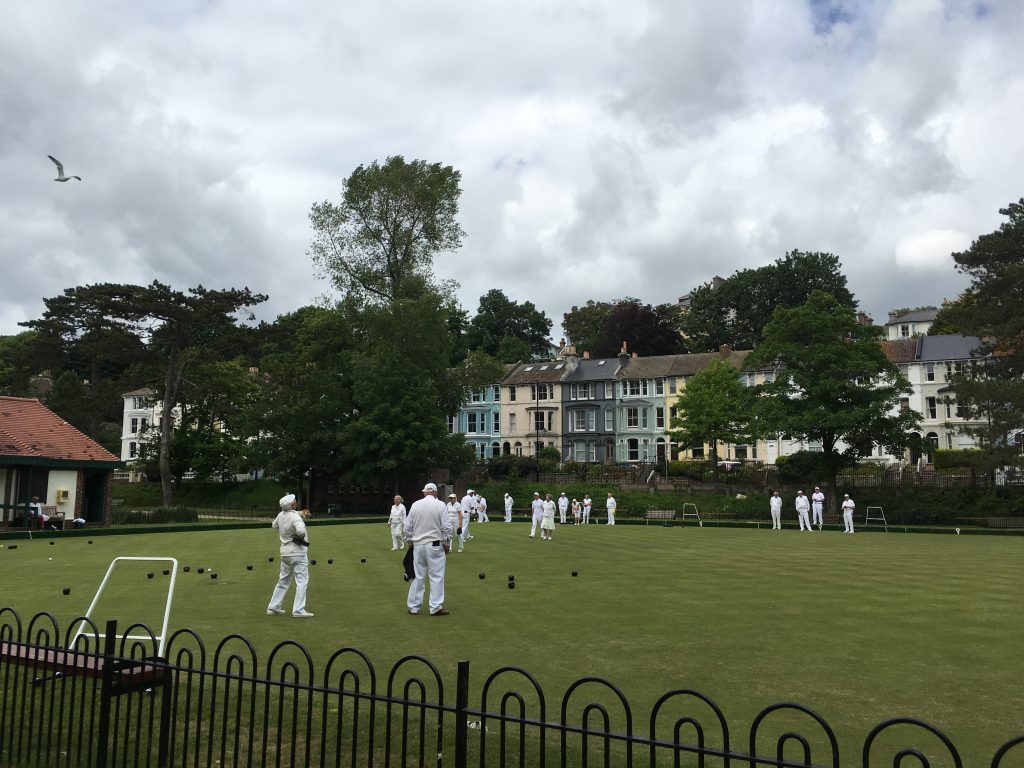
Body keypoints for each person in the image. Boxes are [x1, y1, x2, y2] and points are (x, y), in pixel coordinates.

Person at [404, 482, 453, 615]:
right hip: (435, 545)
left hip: (418, 545)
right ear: (436, 493)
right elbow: (447, 527)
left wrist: (410, 541)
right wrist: (447, 542)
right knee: (436, 576)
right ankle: (435, 607)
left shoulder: (415, 505)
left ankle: (414, 607)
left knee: (418, 576)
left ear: (425, 492)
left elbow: (407, 527)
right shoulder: (440, 505)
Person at [266, 493, 314, 618]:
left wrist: (299, 514)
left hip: (285, 553)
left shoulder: (281, 515)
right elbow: (301, 532)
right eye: (295, 501)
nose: (296, 501)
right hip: (298, 553)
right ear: (292, 505)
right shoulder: (295, 518)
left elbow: (274, 525)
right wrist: (297, 537)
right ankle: (298, 610)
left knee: (283, 580)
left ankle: (273, 607)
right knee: (302, 581)